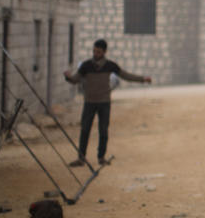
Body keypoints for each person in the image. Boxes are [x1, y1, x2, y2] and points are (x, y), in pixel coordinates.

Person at [63, 39, 152, 167]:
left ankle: (101, 157)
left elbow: (126, 75)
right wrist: (68, 77)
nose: (95, 54)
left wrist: (143, 79)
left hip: (104, 102)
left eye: (98, 52)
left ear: (104, 52)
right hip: (89, 102)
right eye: (94, 51)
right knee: (85, 130)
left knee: (103, 130)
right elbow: (75, 79)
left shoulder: (110, 65)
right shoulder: (86, 66)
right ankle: (81, 158)